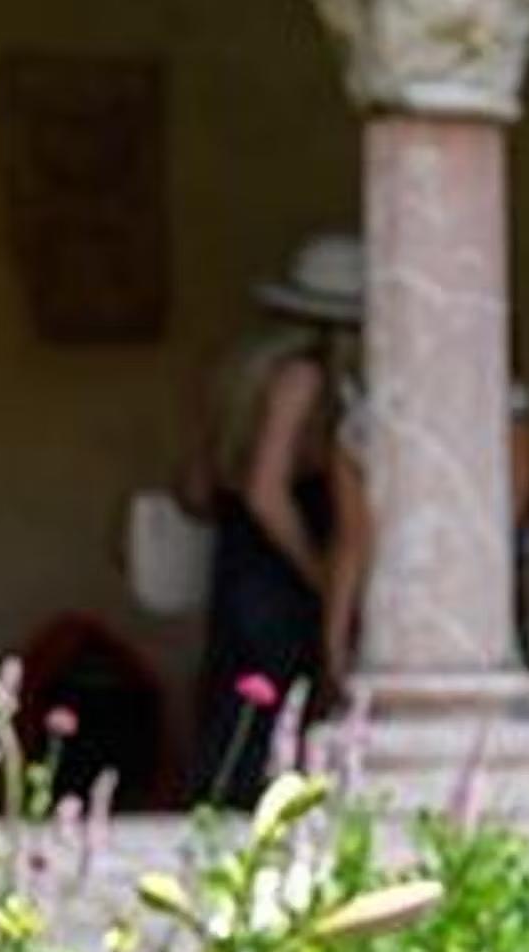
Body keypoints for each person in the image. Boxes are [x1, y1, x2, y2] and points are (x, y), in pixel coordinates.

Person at [190, 234, 366, 806]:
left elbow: (199, 480)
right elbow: (268, 492)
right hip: (275, 568)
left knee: (236, 706)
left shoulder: (244, 372)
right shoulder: (305, 377)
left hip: (239, 558)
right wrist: (319, 575)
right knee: (268, 716)